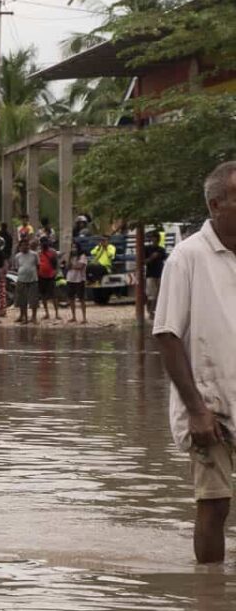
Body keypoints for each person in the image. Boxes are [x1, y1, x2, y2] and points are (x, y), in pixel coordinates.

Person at [153, 160, 236, 564]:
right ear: (217, 204)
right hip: (210, 406)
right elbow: (167, 336)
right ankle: (209, 594)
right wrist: (197, 411)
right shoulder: (187, 257)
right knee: (215, 505)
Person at [13, 238, 40, 324]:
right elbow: (17, 267)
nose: (25, 247)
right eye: (23, 245)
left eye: (27, 245)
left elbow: (38, 265)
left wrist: (34, 274)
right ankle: (24, 317)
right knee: (22, 300)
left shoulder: (34, 254)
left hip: (33, 279)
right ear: (20, 247)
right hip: (21, 279)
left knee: (34, 299)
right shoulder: (17, 256)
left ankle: (34, 317)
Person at [144, 229, 167, 320]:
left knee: (158, 294)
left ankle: (153, 312)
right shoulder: (147, 249)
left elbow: (164, 258)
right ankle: (150, 310)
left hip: (159, 273)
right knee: (151, 294)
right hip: (150, 274)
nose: (154, 239)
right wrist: (151, 258)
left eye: (155, 238)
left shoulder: (161, 249)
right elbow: (144, 261)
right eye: (152, 238)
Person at [37, 237, 60, 321]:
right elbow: (37, 264)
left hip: (51, 276)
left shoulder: (53, 252)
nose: (44, 244)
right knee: (43, 296)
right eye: (42, 242)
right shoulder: (39, 253)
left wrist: (55, 272)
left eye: (45, 242)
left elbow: (57, 263)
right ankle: (47, 313)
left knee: (54, 295)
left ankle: (57, 314)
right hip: (41, 276)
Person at [65, 241, 88, 323]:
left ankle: (84, 318)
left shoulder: (82, 256)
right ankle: (73, 316)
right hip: (70, 279)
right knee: (71, 298)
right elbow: (67, 266)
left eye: (75, 247)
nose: (73, 249)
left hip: (80, 279)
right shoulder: (71, 257)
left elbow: (80, 266)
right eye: (72, 247)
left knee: (81, 299)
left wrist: (72, 266)